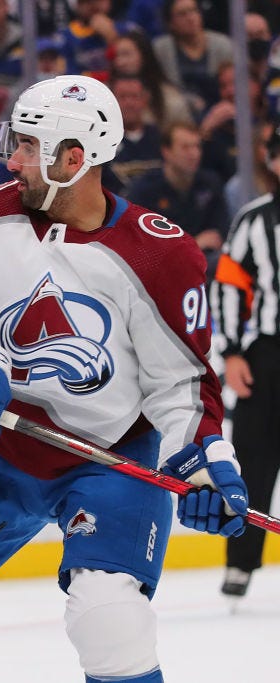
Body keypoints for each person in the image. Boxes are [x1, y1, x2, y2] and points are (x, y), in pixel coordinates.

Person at [0, 74, 248, 683]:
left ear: (75, 157)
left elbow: (182, 385)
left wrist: (201, 464)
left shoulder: (158, 255)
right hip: (0, 446)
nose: (11, 158)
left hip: (112, 454)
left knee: (109, 619)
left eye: (28, 146)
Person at [209, 121, 280, 602]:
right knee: (252, 460)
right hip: (270, 353)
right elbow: (231, 284)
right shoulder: (256, 220)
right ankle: (241, 562)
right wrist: (232, 350)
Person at [125, 120, 228, 270]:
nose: (194, 154)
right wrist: (194, 244)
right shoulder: (145, 190)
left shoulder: (210, 184)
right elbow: (141, 246)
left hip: (206, 265)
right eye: (185, 147)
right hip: (160, 271)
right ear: (166, 151)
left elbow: (220, 233)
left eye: (197, 146)